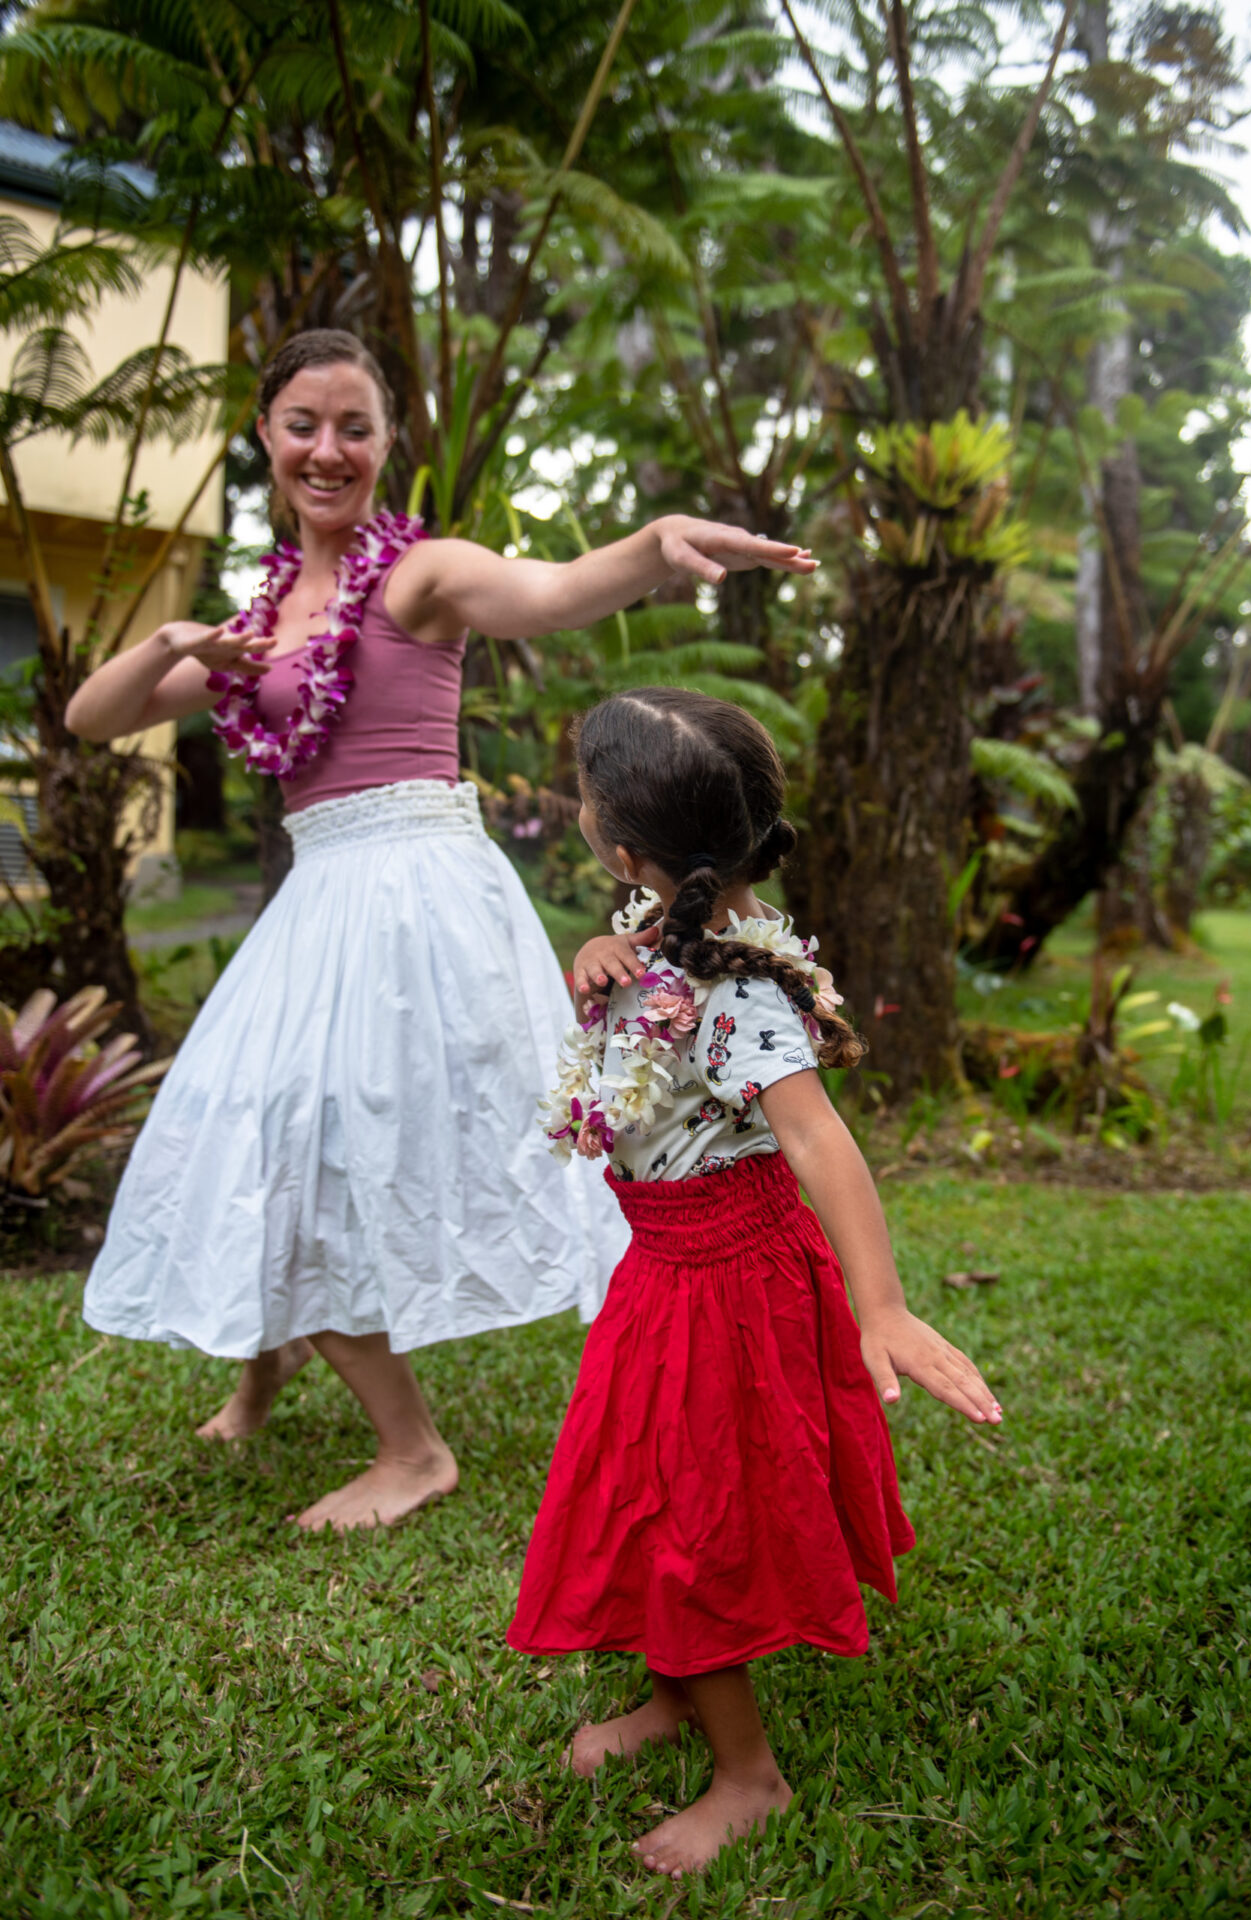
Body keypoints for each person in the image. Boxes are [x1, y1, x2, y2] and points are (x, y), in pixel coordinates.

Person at [66, 328, 816, 1533]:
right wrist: (171, 644)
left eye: (353, 427)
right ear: (265, 434)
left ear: (384, 443)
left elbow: (550, 589)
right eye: (303, 424)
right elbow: (92, 717)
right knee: (270, 1123)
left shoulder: (416, 576)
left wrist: (652, 551)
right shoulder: (249, 624)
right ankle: (273, 1362)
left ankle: (411, 1452)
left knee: (318, 1135)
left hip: (415, 887)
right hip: (321, 894)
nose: (328, 448)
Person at [508, 687, 1003, 1878]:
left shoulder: (736, 989)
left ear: (622, 840)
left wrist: (880, 1308)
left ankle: (750, 1778)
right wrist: (595, 949)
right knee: (647, 1491)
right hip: (666, 1265)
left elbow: (819, 1141)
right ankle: (676, 1699)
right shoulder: (670, 923)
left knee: (693, 1523)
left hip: (724, 1280)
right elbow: (632, 1017)